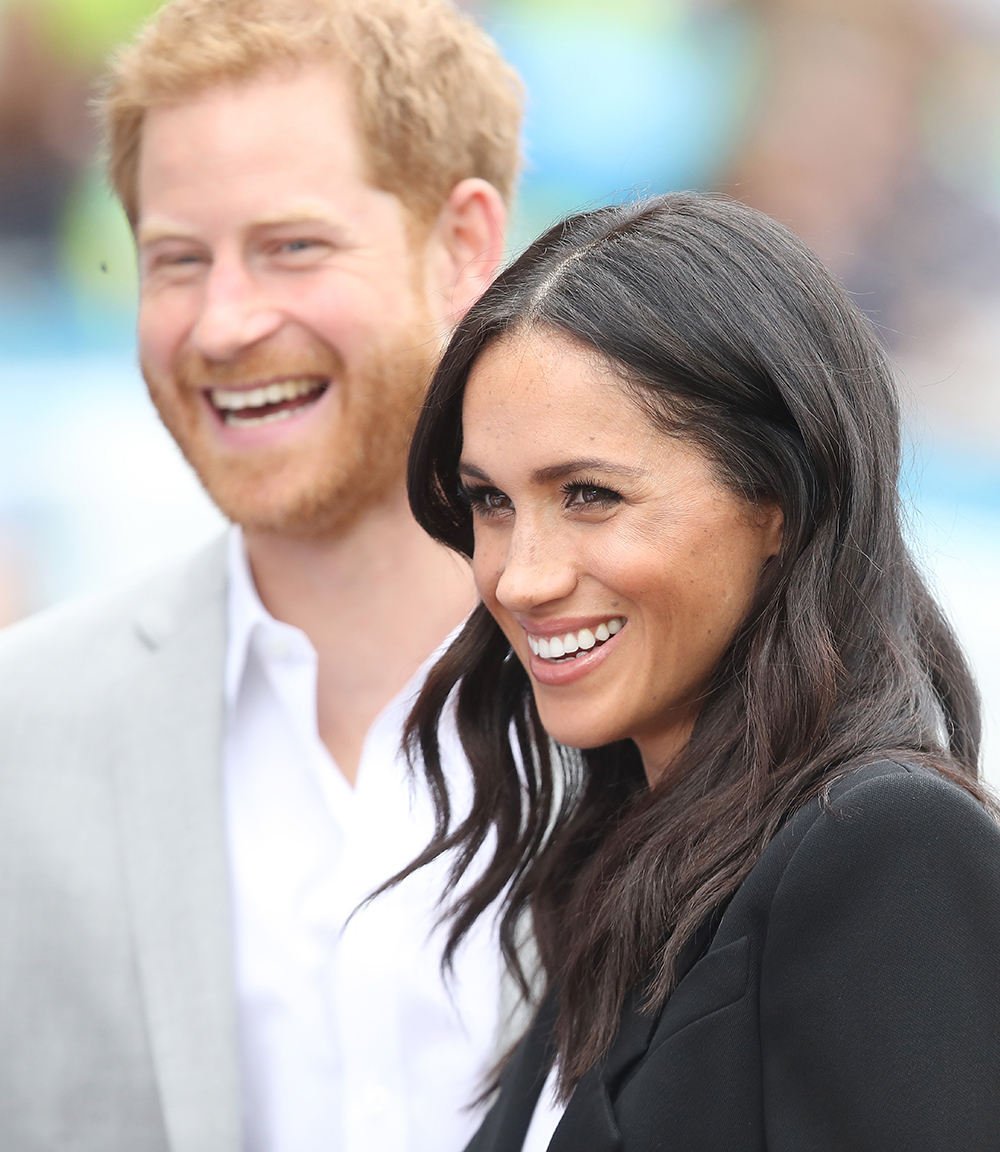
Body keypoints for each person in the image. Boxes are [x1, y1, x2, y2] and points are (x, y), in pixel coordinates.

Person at [0, 2, 527, 1150]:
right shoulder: (22, 729)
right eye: (176, 260)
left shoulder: (670, 701)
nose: (223, 323)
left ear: (463, 248)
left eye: (292, 246)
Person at [399, 192, 1000, 1151]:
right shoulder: (623, 856)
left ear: (781, 502)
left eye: (589, 495)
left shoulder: (886, 846)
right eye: (490, 502)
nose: (520, 576)